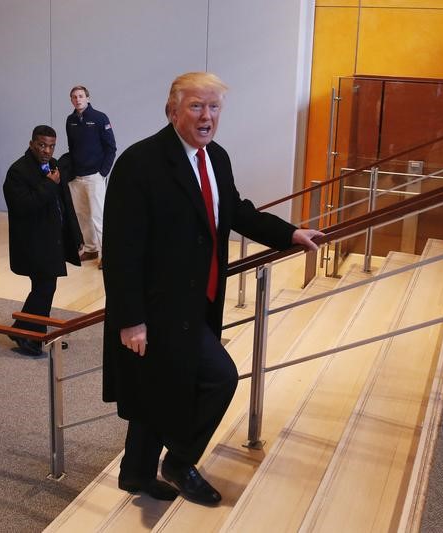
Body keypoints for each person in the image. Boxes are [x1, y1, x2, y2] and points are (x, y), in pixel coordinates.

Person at [102, 72, 323, 504]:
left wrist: (289, 233)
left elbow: (235, 210)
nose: (207, 116)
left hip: (198, 301)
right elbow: (122, 250)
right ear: (173, 110)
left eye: (214, 107)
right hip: (157, 307)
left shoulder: (215, 157)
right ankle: (180, 461)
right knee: (219, 378)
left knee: (158, 384)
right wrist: (131, 320)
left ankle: (135, 474)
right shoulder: (139, 163)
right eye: (197, 106)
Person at [3, 126, 83, 356]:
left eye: (51, 146)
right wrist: (49, 184)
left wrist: (76, 236)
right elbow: (23, 206)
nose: (47, 150)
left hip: (53, 239)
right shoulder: (18, 171)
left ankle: (33, 333)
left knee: (45, 287)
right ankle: (25, 332)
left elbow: (65, 203)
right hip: (33, 243)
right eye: (42, 145)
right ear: (31, 144)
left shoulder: (54, 165)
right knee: (45, 286)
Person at [65, 86, 116, 267]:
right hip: (76, 177)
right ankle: (91, 249)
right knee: (82, 215)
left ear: (88, 97)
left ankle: (107, 254)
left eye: (81, 96)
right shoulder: (70, 120)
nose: (78, 100)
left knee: (98, 217)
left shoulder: (100, 118)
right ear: (71, 100)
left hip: (95, 176)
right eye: (74, 97)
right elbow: (72, 148)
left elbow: (111, 148)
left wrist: (103, 173)